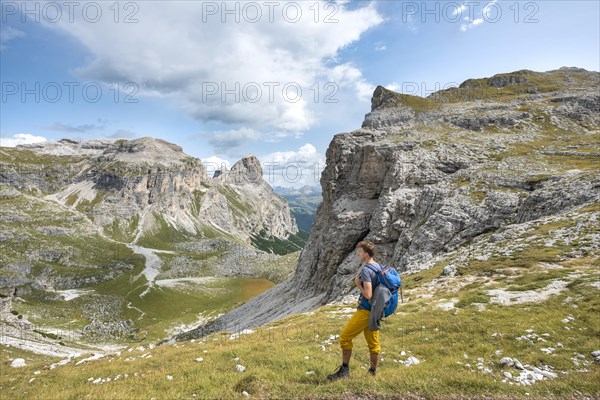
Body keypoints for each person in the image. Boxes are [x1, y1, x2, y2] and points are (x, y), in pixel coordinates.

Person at [327, 240, 382, 381]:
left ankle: (344, 372)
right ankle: (372, 373)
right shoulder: (378, 267)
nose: (358, 255)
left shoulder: (366, 270)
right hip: (375, 311)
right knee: (373, 344)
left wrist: (358, 284)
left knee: (345, 338)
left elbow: (368, 294)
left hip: (365, 311)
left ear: (365, 254)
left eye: (359, 253)